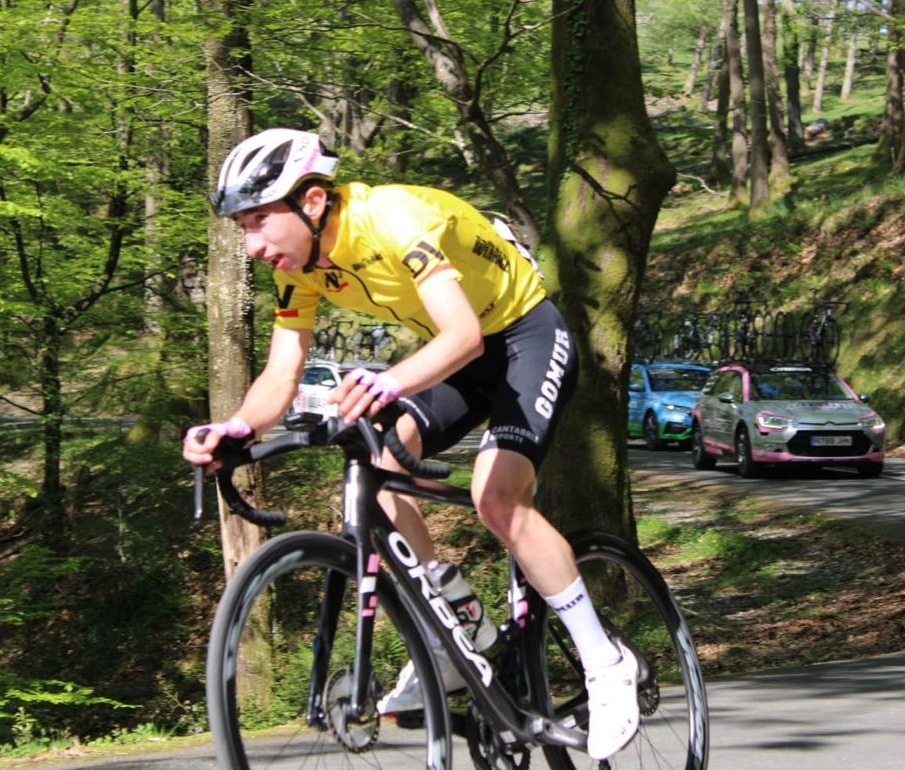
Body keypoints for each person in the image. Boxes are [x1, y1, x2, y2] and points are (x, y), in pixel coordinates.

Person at [182, 128, 639, 759]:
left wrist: (388, 380)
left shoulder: (395, 219)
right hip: (458, 358)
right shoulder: (304, 268)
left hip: (523, 337)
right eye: (243, 229)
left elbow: (464, 335)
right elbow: (283, 372)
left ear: (312, 203)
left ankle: (605, 660)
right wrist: (237, 428)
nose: (254, 245)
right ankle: (460, 622)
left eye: (260, 222)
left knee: (497, 497)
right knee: (377, 464)